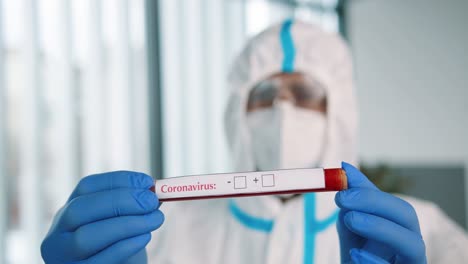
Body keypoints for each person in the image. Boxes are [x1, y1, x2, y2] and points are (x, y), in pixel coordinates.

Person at [41, 20, 468, 264]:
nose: (283, 114)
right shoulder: (164, 232)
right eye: (264, 96)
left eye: (304, 96)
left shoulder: (417, 231)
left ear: (339, 114)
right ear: (237, 114)